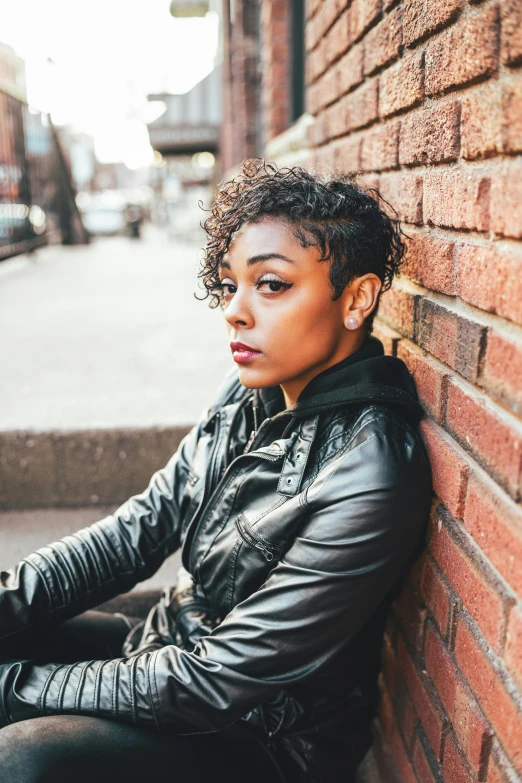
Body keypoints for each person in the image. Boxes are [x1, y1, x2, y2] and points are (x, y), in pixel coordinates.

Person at [0, 159, 433, 783]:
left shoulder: (370, 472)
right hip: (166, 646)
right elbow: (135, 534)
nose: (235, 311)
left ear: (356, 299)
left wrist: (13, 691)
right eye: (230, 285)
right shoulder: (251, 392)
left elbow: (215, 682)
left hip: (263, 738)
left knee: (24, 755)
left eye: (273, 285)